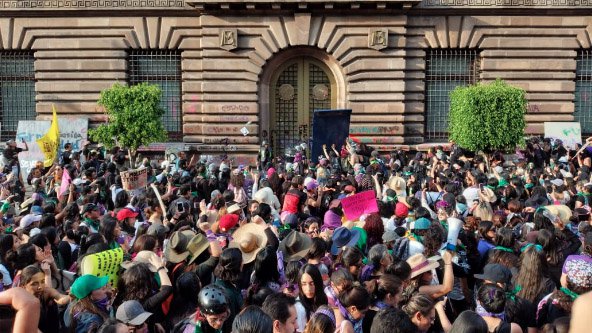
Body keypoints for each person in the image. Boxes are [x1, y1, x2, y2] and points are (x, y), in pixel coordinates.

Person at [19, 265, 70, 333]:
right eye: (34, 284)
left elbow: (61, 299)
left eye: (42, 282)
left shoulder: (46, 292)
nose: (40, 287)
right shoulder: (20, 303)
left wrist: (72, 295)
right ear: (23, 286)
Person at [295, 264, 328, 332]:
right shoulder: (299, 308)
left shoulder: (322, 298)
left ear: (318, 283)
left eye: (312, 283)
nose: (308, 289)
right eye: (304, 284)